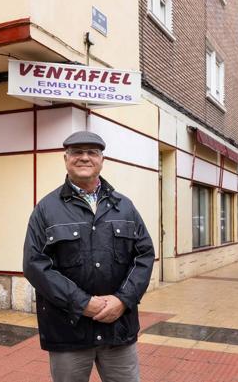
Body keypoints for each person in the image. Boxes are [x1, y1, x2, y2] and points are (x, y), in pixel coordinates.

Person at [23, 131, 155, 382]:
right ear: (65, 158)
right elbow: (35, 265)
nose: (84, 157)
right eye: (77, 152)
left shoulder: (125, 207)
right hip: (68, 331)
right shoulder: (46, 209)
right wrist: (82, 303)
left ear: (102, 160)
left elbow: (144, 256)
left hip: (118, 329)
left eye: (92, 152)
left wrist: (123, 300)